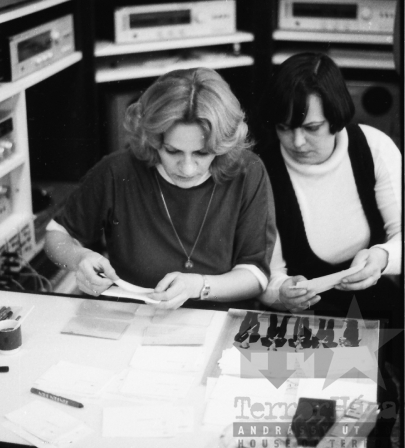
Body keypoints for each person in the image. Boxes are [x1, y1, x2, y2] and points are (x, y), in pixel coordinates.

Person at [45, 67, 276, 310]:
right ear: (153, 139)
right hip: (134, 315)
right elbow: (55, 235)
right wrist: (78, 258)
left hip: (217, 318)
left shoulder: (247, 171)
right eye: (172, 151)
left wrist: (198, 286)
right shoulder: (117, 171)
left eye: (202, 153)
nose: (187, 168)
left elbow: (256, 275)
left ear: (222, 146)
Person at [257, 52, 402, 323]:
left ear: (336, 117)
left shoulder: (375, 148)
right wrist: (281, 292)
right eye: (284, 128)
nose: (297, 142)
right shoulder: (262, 171)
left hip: (376, 307)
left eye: (312, 128)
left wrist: (383, 256)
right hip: (302, 318)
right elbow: (265, 275)